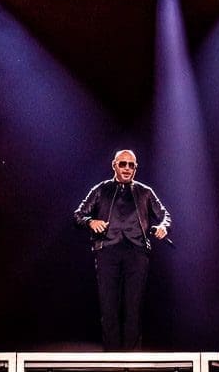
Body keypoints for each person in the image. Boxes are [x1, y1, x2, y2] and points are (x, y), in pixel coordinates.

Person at [73, 150, 171, 350]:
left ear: (136, 168)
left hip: (137, 252)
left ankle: (131, 359)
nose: (127, 168)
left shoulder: (145, 192)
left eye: (131, 165)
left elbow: (165, 215)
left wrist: (163, 227)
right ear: (114, 165)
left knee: (133, 307)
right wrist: (91, 221)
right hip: (107, 251)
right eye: (123, 164)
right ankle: (112, 358)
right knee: (108, 307)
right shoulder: (101, 189)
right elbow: (78, 214)